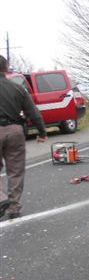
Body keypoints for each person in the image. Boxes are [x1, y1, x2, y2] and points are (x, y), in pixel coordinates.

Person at [0, 55, 48, 219]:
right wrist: (42, 132)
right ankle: (14, 208)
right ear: (6, 69)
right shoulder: (18, 88)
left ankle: (1, 198)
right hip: (14, 130)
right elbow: (33, 112)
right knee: (15, 171)